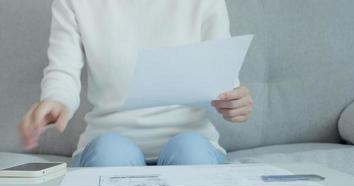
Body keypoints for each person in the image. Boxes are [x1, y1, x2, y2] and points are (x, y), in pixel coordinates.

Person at [18, 0, 254, 167]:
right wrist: (56, 100)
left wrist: (234, 101)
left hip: (191, 139)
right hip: (109, 141)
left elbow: (221, 75)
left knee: (191, 152)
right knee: (110, 155)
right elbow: (63, 70)